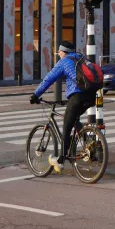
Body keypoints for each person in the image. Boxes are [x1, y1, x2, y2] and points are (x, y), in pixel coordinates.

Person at [30, 41, 97, 173]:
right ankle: (89, 143)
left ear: (63, 52)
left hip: (77, 97)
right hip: (91, 96)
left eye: (59, 53)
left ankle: (61, 160)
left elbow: (49, 79)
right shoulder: (81, 57)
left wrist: (35, 95)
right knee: (74, 120)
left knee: (66, 125)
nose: (59, 55)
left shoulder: (64, 62)